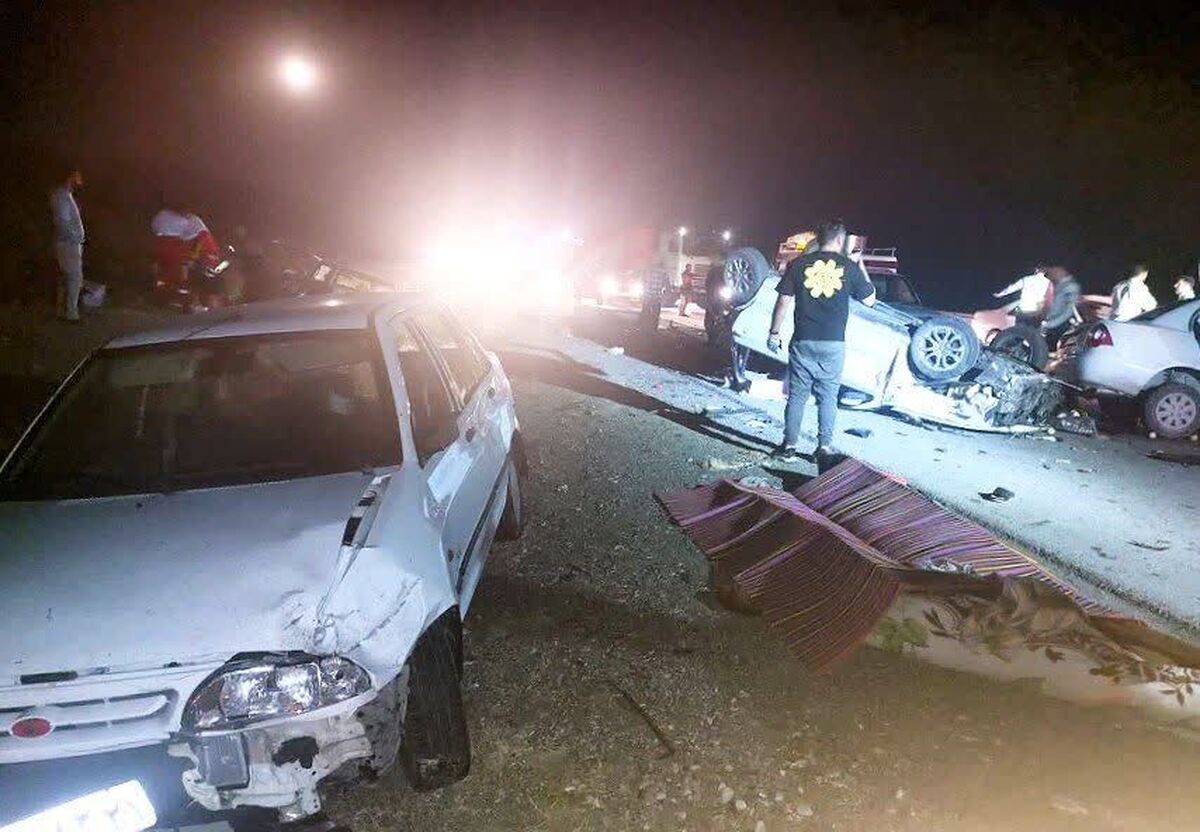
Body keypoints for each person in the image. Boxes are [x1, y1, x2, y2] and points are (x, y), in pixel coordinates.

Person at [767, 219, 876, 466]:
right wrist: (859, 264)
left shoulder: (798, 265)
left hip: (803, 340)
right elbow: (870, 300)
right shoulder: (848, 267)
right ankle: (823, 447)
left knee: (797, 396)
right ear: (840, 240)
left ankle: (789, 446)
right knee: (828, 397)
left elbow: (783, 302)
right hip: (833, 344)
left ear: (818, 238)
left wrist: (774, 333)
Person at [49, 167, 85, 322]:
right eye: (77, 177)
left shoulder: (65, 196)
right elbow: (63, 222)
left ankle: (62, 311)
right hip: (68, 243)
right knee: (74, 277)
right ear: (70, 178)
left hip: (68, 242)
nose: (80, 181)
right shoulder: (62, 196)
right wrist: (75, 237)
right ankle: (71, 314)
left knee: (66, 278)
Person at [1042, 266, 1081, 348]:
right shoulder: (1059, 284)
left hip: (1060, 326)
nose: (1048, 273)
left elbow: (1069, 311)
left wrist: (1050, 324)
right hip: (1051, 323)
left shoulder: (1070, 287)